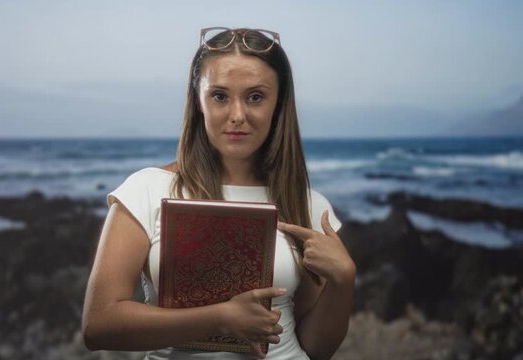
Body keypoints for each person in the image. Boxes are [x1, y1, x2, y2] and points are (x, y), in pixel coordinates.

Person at [82, 27, 356, 360]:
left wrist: (343, 281)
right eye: (220, 96)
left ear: (278, 103)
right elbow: (99, 325)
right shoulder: (147, 190)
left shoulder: (309, 205)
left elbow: (316, 349)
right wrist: (221, 317)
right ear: (198, 101)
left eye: (255, 96)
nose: (237, 116)